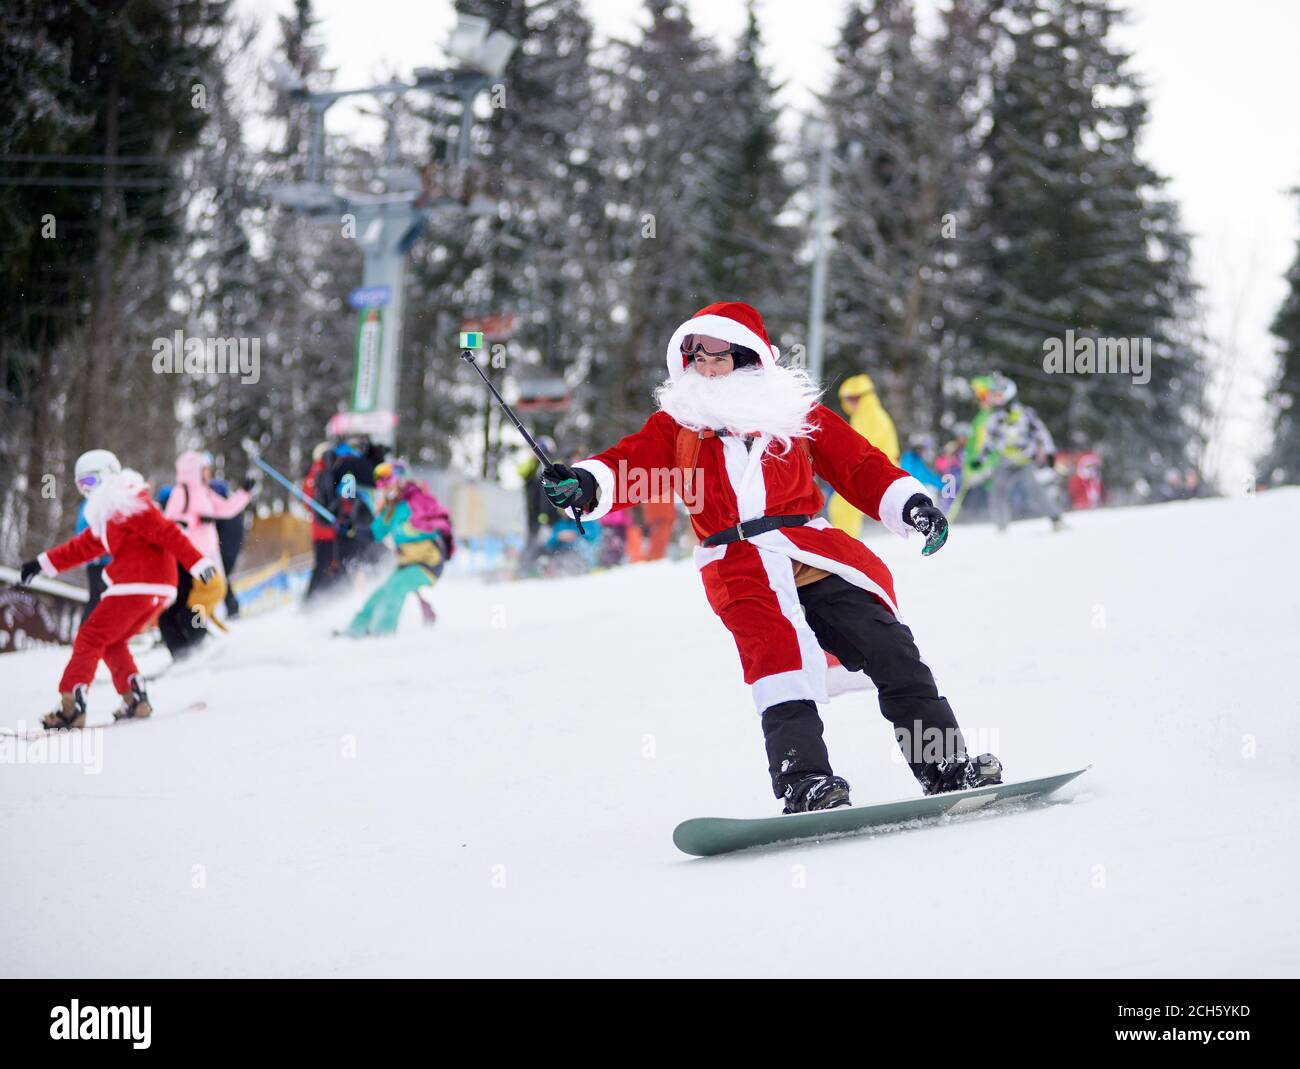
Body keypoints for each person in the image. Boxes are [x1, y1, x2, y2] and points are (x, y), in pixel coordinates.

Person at [541, 301, 1002, 813]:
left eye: (717, 354)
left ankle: (945, 768)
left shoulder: (795, 414)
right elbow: (628, 464)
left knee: (890, 647)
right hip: (737, 562)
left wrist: (914, 505)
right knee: (778, 661)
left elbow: (861, 466)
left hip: (810, 549)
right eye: (695, 356)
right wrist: (584, 483)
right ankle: (804, 783)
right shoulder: (679, 425)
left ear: (748, 356)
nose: (706, 366)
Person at [16, 450, 218, 729]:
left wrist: (197, 562)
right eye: (81, 485)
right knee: (111, 641)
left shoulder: (128, 501)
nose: (87, 490)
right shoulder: (110, 514)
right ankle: (135, 698)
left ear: (107, 475)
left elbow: (166, 531)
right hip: (150, 586)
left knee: (90, 635)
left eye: (90, 481)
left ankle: (71, 706)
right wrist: (41, 564)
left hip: (138, 582)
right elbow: (83, 547)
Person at [159, 450, 253, 659]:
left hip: (205, 558)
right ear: (194, 470)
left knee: (201, 602)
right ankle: (181, 649)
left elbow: (226, 509)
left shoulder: (205, 492)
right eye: (205, 469)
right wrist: (192, 523)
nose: (208, 473)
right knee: (178, 608)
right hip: (185, 559)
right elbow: (169, 523)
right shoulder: (181, 492)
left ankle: (196, 643)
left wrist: (244, 493)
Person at [343, 461, 453, 637]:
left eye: (387, 480)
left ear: (401, 479)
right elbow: (374, 533)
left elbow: (441, 521)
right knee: (379, 594)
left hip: (429, 562)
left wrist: (423, 527)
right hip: (407, 563)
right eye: (380, 483)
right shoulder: (391, 510)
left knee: (396, 588)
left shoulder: (419, 500)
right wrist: (351, 528)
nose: (383, 487)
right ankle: (354, 632)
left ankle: (383, 633)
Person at [967, 374, 1063, 531]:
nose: (996, 399)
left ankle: (1056, 519)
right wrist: (980, 460)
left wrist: (1050, 452)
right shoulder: (994, 419)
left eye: (999, 395)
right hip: (1005, 462)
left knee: (1036, 490)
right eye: (994, 395)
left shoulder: (1025, 414)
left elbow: (1041, 433)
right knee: (997, 491)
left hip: (1026, 460)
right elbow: (989, 443)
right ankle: (1001, 527)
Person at [826, 372, 901, 538]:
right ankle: (846, 543)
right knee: (841, 506)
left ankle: (846, 545)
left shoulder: (871, 417)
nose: (850, 403)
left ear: (865, 397)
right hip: (873, 469)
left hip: (877, 470)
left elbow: (859, 447)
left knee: (843, 506)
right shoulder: (863, 416)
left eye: (854, 398)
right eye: (848, 399)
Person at [302, 442, 340, 600]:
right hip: (331, 530)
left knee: (324, 565)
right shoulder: (329, 472)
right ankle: (313, 600)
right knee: (329, 565)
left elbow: (306, 502)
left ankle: (317, 598)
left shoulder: (314, 473)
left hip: (321, 531)